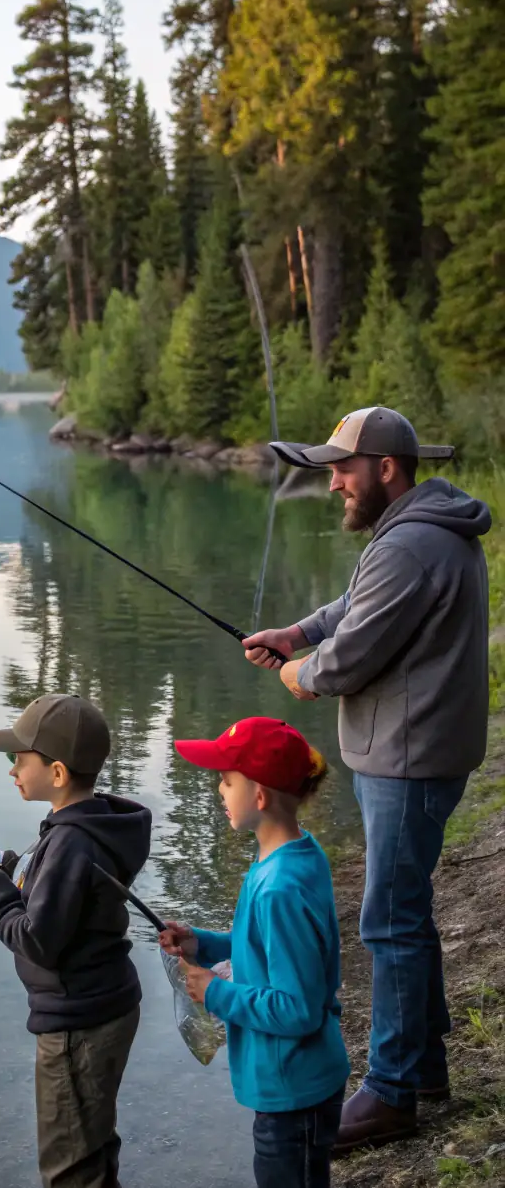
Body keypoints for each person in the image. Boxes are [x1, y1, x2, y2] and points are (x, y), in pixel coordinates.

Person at [243, 406, 491, 1153]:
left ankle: (391, 1091)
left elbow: (348, 661)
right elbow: (357, 606)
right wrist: (301, 631)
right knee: (405, 910)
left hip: (407, 761)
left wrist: (300, 670)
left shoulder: (410, 543)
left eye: (342, 469)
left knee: (388, 919)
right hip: (414, 753)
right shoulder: (418, 530)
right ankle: (428, 1068)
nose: (333, 485)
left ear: (386, 467)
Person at [0, 693, 151, 1188]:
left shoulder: (69, 841)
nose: (12, 769)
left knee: (70, 1167)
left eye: (19, 759)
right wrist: (3, 862)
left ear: (58, 773)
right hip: (105, 1004)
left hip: (77, 1024)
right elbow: (65, 891)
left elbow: (37, 940)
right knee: (93, 1143)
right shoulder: (96, 824)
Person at [160, 716, 350, 1188]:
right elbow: (262, 946)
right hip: (296, 1084)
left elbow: (298, 1009)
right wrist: (201, 944)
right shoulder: (293, 856)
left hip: (294, 1095)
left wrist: (216, 993)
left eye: (226, 782)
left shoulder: (279, 888)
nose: (219, 792)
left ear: (259, 796)